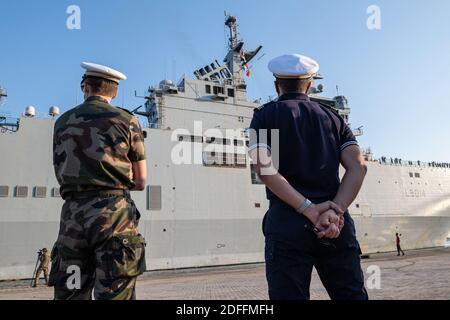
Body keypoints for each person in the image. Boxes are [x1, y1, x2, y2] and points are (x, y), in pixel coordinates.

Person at [249, 54, 368, 300]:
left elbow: (264, 167)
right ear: (310, 85)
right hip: (335, 225)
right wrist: (336, 212)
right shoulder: (334, 118)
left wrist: (308, 209)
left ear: (276, 85)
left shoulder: (265, 116)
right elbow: (358, 168)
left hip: (287, 223)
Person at [48, 62, 148, 300]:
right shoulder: (127, 120)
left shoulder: (62, 121)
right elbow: (141, 179)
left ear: (85, 87)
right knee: (115, 291)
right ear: (115, 91)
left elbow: (60, 168)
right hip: (113, 215)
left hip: (72, 215)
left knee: (71, 290)